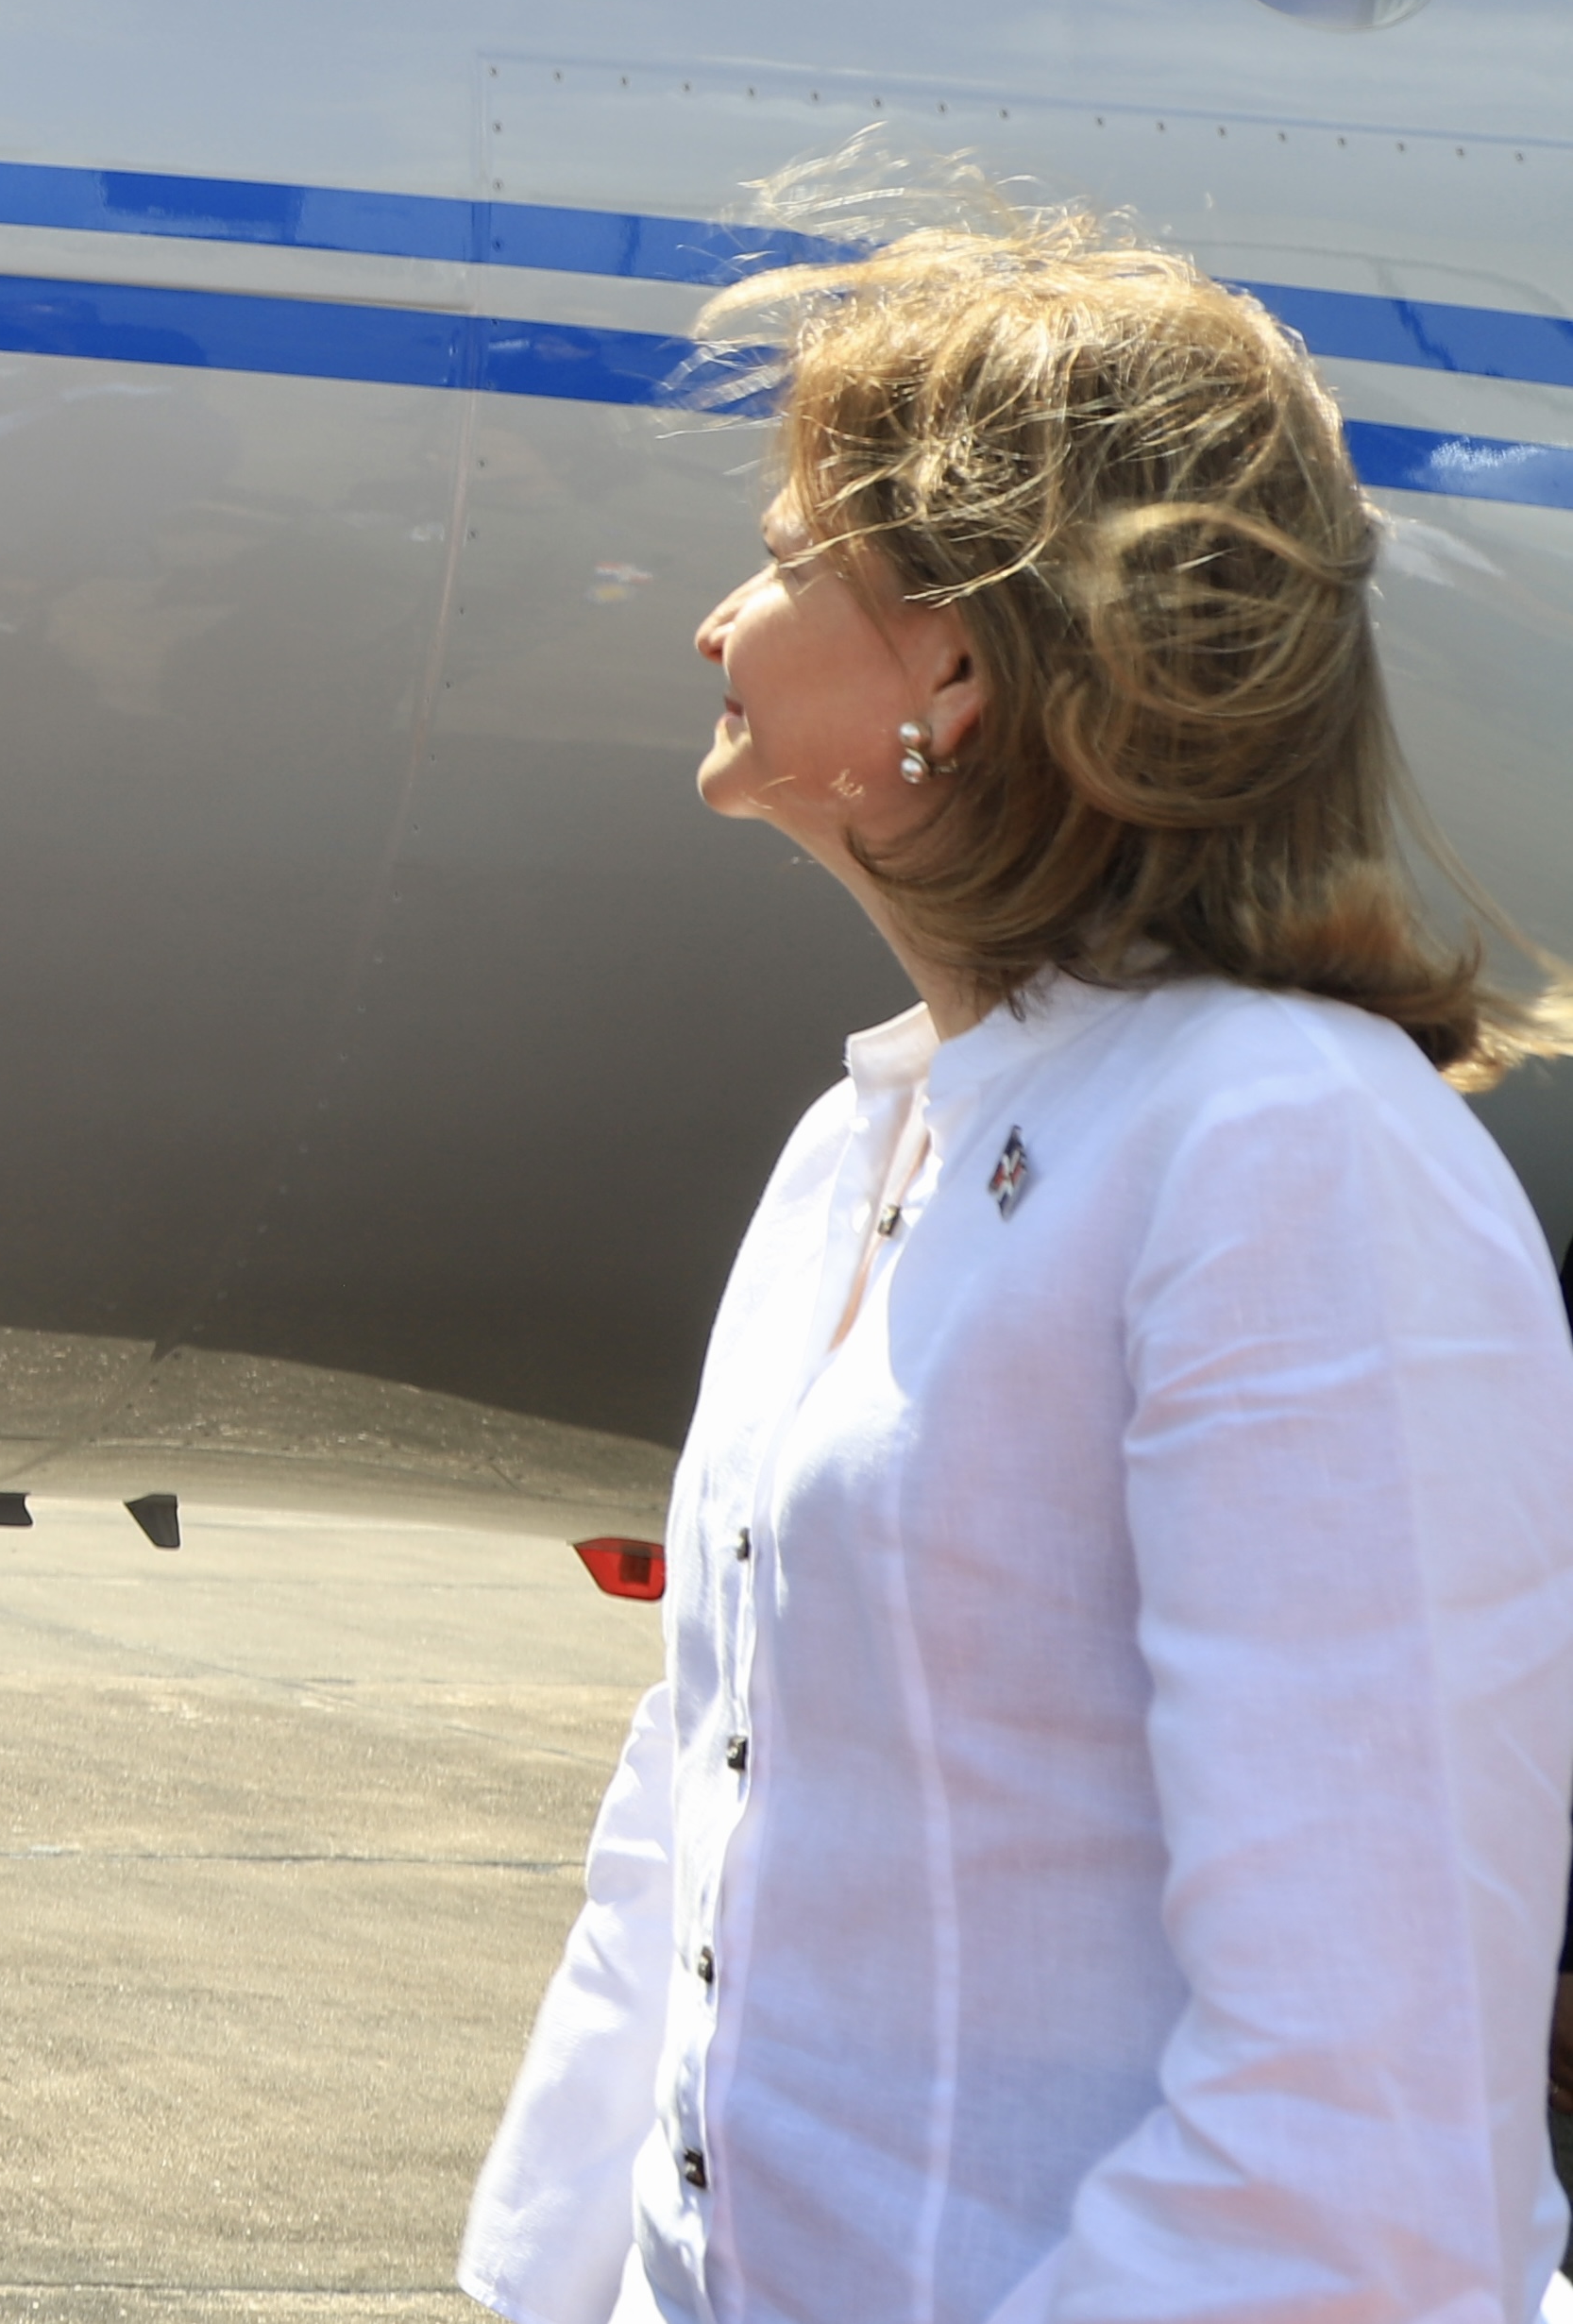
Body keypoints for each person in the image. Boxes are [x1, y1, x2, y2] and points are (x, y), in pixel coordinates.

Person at [460, 189, 1573, 2324]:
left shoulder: (1290, 1154)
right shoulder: (864, 1136)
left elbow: (1358, 2140)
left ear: (962, 666)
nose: (711, 621)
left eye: (785, 558)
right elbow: (689, 1806)